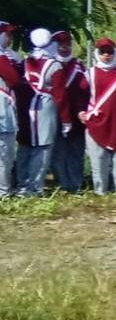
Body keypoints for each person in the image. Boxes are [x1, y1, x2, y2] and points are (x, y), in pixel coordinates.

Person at [15, 28, 69, 196]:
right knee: (42, 149)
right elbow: (60, 95)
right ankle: (35, 187)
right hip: (44, 109)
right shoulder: (55, 66)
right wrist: (66, 120)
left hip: (25, 108)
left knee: (24, 146)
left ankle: (22, 184)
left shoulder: (24, 63)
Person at [82, 38, 116, 195]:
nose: (106, 55)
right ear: (97, 53)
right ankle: (101, 192)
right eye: (102, 52)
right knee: (98, 162)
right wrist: (81, 113)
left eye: (110, 52)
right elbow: (79, 96)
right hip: (95, 124)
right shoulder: (89, 74)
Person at [51, 30, 89, 192]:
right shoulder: (49, 65)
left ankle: (75, 184)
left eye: (67, 44)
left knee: (76, 152)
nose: (64, 47)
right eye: (60, 44)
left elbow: (86, 90)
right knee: (58, 152)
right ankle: (62, 183)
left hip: (76, 117)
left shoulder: (78, 66)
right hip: (55, 116)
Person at [0, 21, 21, 197]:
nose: (10, 38)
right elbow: (14, 80)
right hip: (2, 113)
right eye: (8, 35)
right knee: (3, 157)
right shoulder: (2, 58)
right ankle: (3, 192)